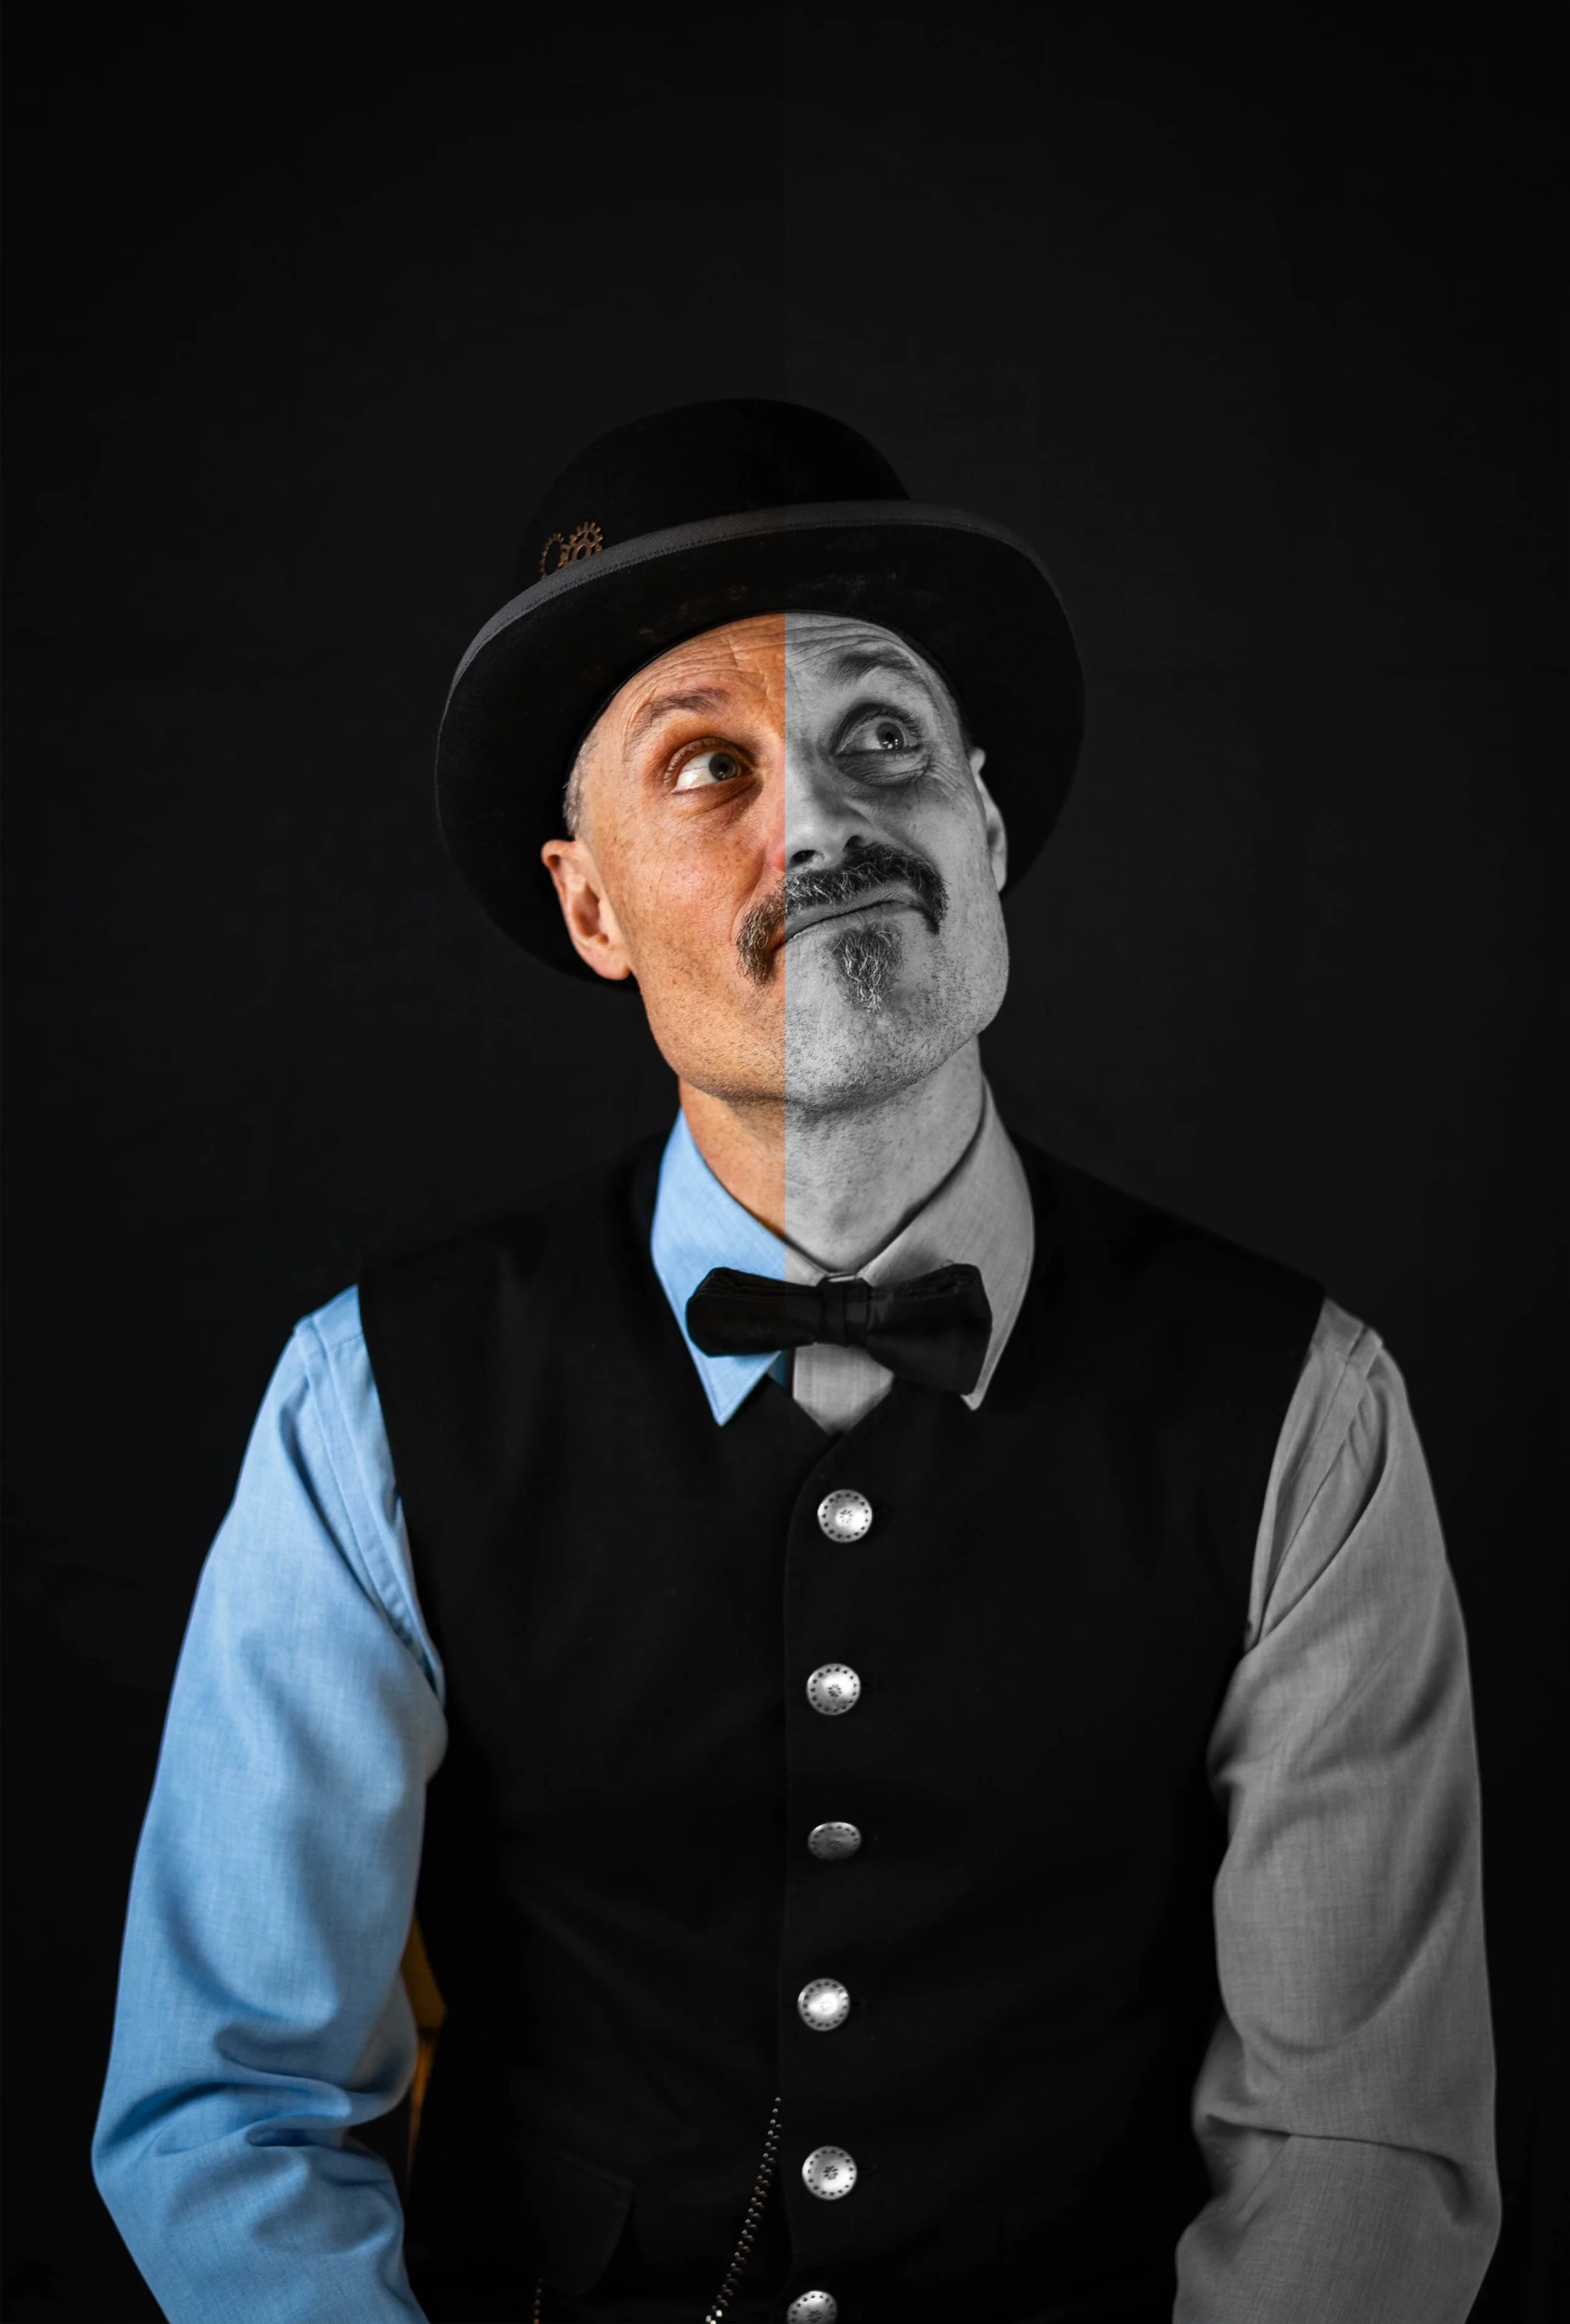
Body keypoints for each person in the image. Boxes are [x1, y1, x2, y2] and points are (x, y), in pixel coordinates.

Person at [93, 399, 1499, 2324]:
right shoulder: (367, 1406)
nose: (823, 818)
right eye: (705, 764)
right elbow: (228, 2108)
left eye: (880, 741)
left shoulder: (1307, 1412)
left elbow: (1356, 2149)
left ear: (980, 829)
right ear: (591, 904)